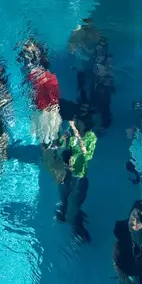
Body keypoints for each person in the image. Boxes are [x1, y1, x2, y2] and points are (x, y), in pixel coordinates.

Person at [56, 101, 96, 242]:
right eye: (75, 120)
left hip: (79, 180)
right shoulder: (70, 130)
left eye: (79, 121)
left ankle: (78, 227)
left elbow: (86, 155)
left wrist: (70, 155)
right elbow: (61, 143)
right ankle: (69, 210)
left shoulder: (90, 138)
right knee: (63, 197)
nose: (75, 123)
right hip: (65, 175)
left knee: (72, 213)